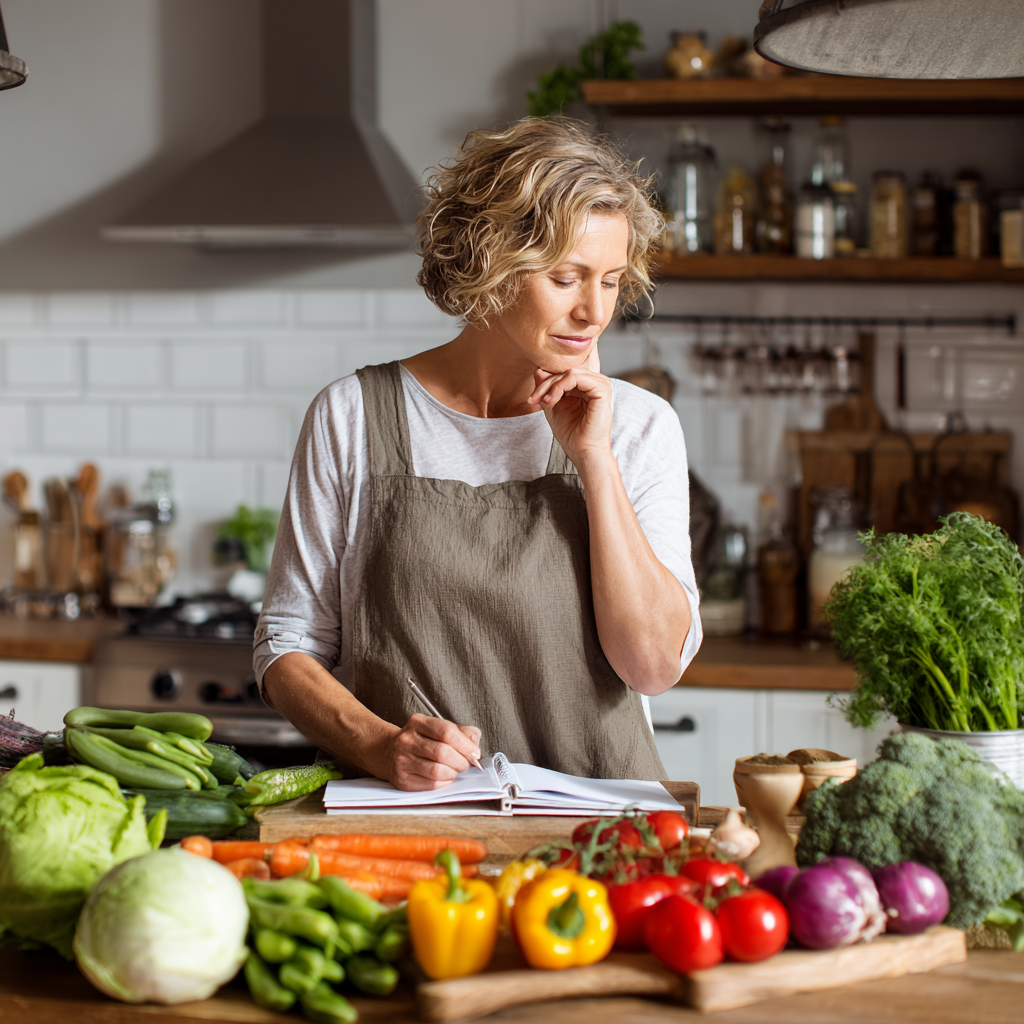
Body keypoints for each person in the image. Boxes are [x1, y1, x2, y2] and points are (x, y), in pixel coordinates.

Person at [255, 117, 702, 791]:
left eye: (610, 281)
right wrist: (378, 745)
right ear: (490, 264)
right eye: (566, 277)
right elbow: (286, 646)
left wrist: (595, 460)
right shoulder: (352, 416)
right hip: (408, 834)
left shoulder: (639, 427)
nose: (594, 312)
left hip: (598, 836)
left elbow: (653, 667)